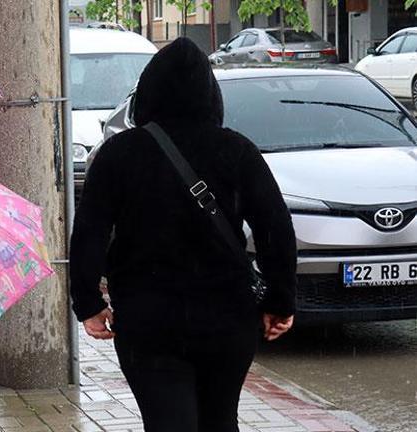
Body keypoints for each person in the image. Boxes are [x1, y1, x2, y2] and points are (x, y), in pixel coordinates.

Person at [69, 38, 297, 432]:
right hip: (226, 318)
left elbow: (89, 231)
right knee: (220, 419)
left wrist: (88, 303)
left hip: (148, 319)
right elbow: (276, 227)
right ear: (212, 95)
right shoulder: (238, 151)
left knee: (166, 421)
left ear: (147, 92)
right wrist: (281, 300)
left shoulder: (118, 153)